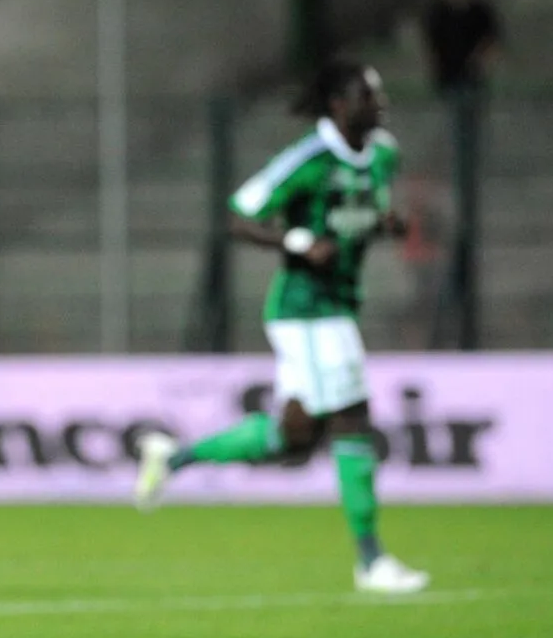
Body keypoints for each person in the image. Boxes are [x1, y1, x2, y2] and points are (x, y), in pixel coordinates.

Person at [134, 60, 429, 595]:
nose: (380, 102)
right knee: (352, 418)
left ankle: (172, 457)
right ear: (339, 104)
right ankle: (371, 561)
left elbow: (363, 214)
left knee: (296, 439)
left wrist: (389, 224)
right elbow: (238, 215)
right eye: (369, 94)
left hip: (338, 304)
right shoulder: (308, 161)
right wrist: (296, 243)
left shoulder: (384, 154)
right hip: (305, 309)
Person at [423, 0, 500, 99]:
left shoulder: (479, 9)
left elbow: (491, 37)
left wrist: (482, 59)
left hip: (473, 74)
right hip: (448, 75)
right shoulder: (438, 12)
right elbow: (433, 44)